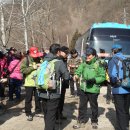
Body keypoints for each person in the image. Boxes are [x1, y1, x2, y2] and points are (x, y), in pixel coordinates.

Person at [38, 43, 70, 130]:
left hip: (42, 91)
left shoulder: (44, 61)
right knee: (51, 115)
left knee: (47, 113)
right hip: (53, 93)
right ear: (58, 52)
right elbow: (67, 76)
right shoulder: (59, 62)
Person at [73, 47, 106, 129]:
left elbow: (102, 77)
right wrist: (76, 75)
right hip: (83, 88)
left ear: (94, 55)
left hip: (93, 89)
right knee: (82, 106)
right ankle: (81, 121)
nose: (87, 56)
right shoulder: (84, 63)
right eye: (86, 55)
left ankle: (94, 121)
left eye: (89, 55)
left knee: (93, 106)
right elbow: (78, 71)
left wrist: (94, 80)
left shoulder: (99, 64)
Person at [108, 44, 130, 130]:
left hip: (118, 89)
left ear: (113, 51)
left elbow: (113, 75)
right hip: (128, 88)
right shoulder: (127, 59)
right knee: (126, 109)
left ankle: (122, 128)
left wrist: (113, 83)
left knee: (120, 111)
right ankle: (126, 126)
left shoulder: (113, 59)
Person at [20, 46, 43, 121]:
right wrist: (33, 67)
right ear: (30, 53)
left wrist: (41, 66)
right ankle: (28, 113)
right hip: (29, 83)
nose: (35, 57)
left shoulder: (39, 59)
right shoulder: (25, 60)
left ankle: (38, 110)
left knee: (38, 98)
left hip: (38, 82)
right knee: (28, 99)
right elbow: (23, 70)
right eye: (34, 55)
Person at [56, 46, 70, 122]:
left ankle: (60, 114)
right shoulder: (58, 59)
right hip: (59, 83)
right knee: (58, 100)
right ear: (60, 51)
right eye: (66, 53)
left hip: (64, 83)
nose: (67, 55)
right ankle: (57, 116)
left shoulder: (64, 59)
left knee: (61, 100)